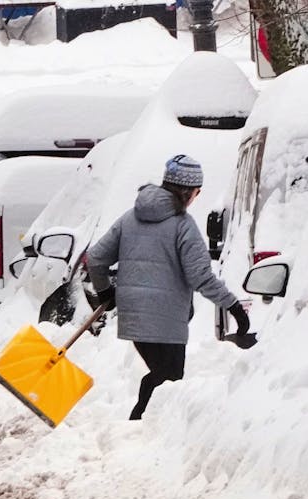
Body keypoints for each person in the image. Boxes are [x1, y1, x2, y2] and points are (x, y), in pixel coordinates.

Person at [87, 154, 250, 420]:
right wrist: (233, 306)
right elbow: (201, 277)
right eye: (197, 192)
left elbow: (95, 258)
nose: (197, 197)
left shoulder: (129, 218)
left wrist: (105, 291)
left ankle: (141, 427)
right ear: (188, 192)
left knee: (166, 378)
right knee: (169, 380)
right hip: (167, 320)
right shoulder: (183, 226)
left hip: (134, 318)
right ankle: (138, 424)